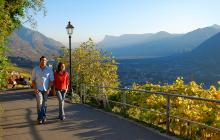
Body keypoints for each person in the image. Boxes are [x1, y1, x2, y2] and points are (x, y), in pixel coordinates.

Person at [32, 56, 54, 124]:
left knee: (44, 104)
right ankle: (40, 118)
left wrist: (49, 88)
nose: (43, 61)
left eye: (45, 60)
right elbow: (33, 80)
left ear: (46, 61)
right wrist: (35, 88)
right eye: (42, 60)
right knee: (40, 103)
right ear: (40, 61)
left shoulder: (49, 70)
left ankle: (44, 116)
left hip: (46, 90)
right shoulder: (35, 69)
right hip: (38, 90)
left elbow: (51, 80)